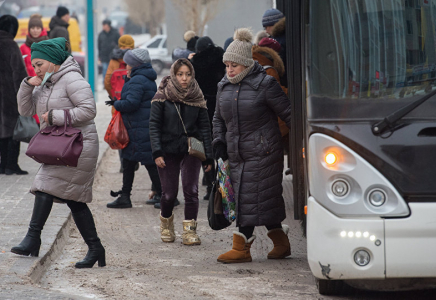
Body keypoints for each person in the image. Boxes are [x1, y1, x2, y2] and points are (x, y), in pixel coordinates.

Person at [13, 37, 105, 269]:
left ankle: (33, 239)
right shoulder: (47, 82)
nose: (37, 69)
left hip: (78, 145)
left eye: (40, 64)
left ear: (54, 62)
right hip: (60, 146)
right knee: (73, 199)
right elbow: (25, 109)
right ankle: (95, 248)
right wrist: (28, 84)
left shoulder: (72, 79)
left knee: (46, 186)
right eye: (34, 65)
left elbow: (89, 110)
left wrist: (56, 116)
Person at [213, 28, 292, 263]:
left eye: (233, 65)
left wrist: (300, 144)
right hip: (236, 153)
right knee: (261, 200)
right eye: (227, 65)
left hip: (264, 152)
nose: (229, 70)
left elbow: (288, 114)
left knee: (249, 198)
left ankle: (241, 248)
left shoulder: (266, 84)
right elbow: (218, 118)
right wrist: (218, 142)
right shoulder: (223, 86)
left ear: (246, 64)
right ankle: (281, 242)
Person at [149, 58, 213, 246]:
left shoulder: (197, 95)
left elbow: (205, 128)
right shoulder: (162, 96)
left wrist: (208, 156)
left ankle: (189, 231)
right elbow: (153, 126)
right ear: (173, 75)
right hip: (167, 150)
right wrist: (157, 152)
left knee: (191, 191)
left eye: (188, 74)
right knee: (169, 194)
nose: (184, 78)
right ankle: (167, 224)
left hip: (191, 150)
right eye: (180, 74)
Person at [105, 48, 163, 209]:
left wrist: (116, 103)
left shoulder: (138, 80)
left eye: (128, 63)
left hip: (138, 128)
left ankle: (165, 195)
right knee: (130, 162)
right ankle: (125, 196)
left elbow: (131, 103)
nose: (126, 66)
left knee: (149, 162)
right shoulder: (146, 78)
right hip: (138, 126)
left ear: (134, 64)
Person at [189, 36, 225, 200]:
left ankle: (210, 186)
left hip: (201, 110)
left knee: (203, 148)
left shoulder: (195, 64)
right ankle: (223, 185)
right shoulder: (222, 58)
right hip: (220, 108)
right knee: (221, 146)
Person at [0, 15, 29, 175]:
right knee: (13, 130)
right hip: (10, 96)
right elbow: (19, 75)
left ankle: (2, 164)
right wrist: (25, 96)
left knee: (2, 131)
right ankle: (11, 165)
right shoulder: (11, 46)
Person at [20, 14, 49, 126]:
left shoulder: (48, 45)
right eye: (32, 28)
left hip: (46, 87)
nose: (35, 31)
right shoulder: (23, 48)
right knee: (33, 124)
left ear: (42, 29)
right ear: (29, 30)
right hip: (30, 88)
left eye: (38, 28)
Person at [262, 8, 287, 86]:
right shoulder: (286, 37)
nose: (266, 31)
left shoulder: (278, 42)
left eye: (266, 27)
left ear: (273, 25)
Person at [98, 19, 120, 84]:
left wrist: (115, 47)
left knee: (113, 70)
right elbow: (99, 46)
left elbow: (119, 44)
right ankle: (105, 83)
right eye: (103, 25)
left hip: (113, 56)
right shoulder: (101, 34)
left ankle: (113, 83)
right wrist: (99, 56)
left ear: (108, 25)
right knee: (105, 69)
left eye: (104, 25)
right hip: (104, 56)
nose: (103, 26)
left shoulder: (115, 33)